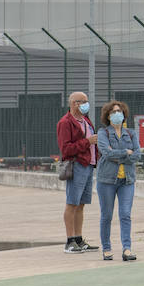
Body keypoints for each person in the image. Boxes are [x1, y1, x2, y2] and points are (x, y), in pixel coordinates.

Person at [95, 100, 139, 261]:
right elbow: (106, 153)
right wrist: (126, 153)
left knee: (125, 214)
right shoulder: (103, 133)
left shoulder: (132, 133)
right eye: (113, 112)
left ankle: (127, 249)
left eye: (118, 111)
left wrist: (119, 154)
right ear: (107, 116)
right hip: (106, 180)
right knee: (106, 215)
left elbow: (137, 154)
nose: (116, 114)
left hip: (127, 180)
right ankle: (106, 248)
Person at [56, 90, 98, 253]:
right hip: (77, 165)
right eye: (83, 101)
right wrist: (86, 142)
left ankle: (79, 239)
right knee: (72, 203)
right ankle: (69, 241)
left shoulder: (85, 120)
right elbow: (66, 149)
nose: (87, 104)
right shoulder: (65, 123)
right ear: (74, 103)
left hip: (89, 165)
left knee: (81, 204)